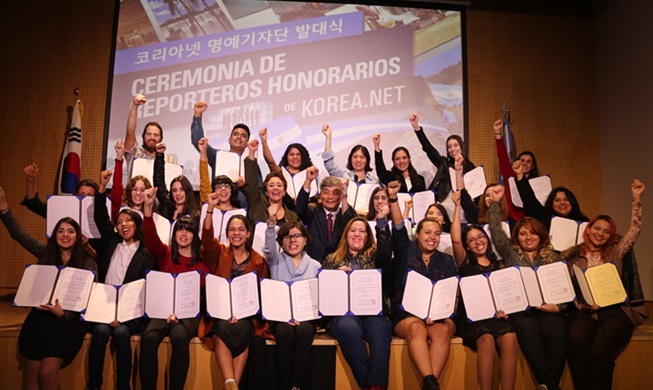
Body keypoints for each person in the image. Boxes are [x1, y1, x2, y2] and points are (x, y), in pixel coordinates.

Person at [0, 186, 96, 390]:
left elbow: (86, 298)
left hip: (67, 323)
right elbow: (20, 236)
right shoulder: (45, 252)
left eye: (70, 231)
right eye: (60, 231)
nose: (65, 235)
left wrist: (64, 313)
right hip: (40, 319)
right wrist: (4, 211)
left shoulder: (88, 262)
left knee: (47, 372)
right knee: (32, 375)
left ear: (78, 237)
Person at [561, 179, 645, 390]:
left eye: (606, 231)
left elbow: (635, 230)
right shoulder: (572, 257)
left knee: (599, 353)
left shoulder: (617, 251)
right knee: (576, 344)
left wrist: (636, 200)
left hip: (614, 310)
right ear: (588, 230)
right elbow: (570, 291)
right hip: (584, 311)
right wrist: (583, 306)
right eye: (596, 228)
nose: (600, 233)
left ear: (611, 235)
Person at [487, 186, 568, 390]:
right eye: (523, 234)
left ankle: (547, 385)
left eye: (533, 233)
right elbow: (496, 230)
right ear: (517, 237)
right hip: (523, 311)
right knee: (527, 331)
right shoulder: (512, 253)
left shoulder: (554, 257)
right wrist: (496, 202)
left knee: (557, 330)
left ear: (541, 235)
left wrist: (559, 307)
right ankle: (551, 385)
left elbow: (565, 290)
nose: (528, 237)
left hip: (550, 309)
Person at [387, 180, 457, 390]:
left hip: (438, 315)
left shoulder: (447, 261)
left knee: (443, 330)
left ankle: (429, 384)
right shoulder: (406, 251)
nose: (432, 237)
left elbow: (449, 295)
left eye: (436, 233)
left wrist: (436, 313)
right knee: (417, 328)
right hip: (407, 314)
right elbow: (399, 227)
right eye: (427, 232)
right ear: (417, 234)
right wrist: (392, 198)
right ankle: (430, 382)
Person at [139, 187, 210, 390]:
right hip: (162, 310)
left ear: (194, 235)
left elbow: (205, 294)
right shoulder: (164, 253)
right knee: (149, 337)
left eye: (188, 230)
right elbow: (150, 237)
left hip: (188, 314)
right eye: (180, 229)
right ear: (174, 232)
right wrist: (147, 208)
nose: (184, 234)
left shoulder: (202, 262)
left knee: (179, 336)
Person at [88, 174, 153, 390]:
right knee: (99, 333)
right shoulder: (112, 242)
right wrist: (101, 188)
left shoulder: (146, 252)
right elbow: (100, 217)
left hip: (130, 312)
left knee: (122, 333)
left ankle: (124, 385)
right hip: (104, 307)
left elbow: (145, 290)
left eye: (128, 221)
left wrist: (122, 315)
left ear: (137, 224)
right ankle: (94, 384)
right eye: (120, 222)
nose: (124, 224)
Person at [198, 191, 269, 390]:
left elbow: (261, 296)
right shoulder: (219, 253)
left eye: (240, 230)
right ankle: (231, 383)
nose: (236, 233)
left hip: (246, 315)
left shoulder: (258, 262)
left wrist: (242, 313)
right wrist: (210, 210)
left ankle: (231, 384)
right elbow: (206, 240)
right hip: (219, 313)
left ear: (248, 234)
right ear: (227, 233)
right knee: (221, 328)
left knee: (244, 330)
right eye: (232, 230)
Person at [450, 191, 518, 390]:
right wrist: (456, 207)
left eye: (481, 236)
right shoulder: (465, 263)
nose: (478, 241)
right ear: (467, 247)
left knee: (510, 338)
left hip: (499, 317)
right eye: (471, 240)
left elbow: (508, 294)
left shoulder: (500, 265)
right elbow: (455, 239)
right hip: (475, 320)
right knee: (486, 340)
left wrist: (507, 310)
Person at [322, 216, 393, 389]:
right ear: (346, 234)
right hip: (343, 315)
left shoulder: (377, 257)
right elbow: (325, 294)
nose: (357, 234)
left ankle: (376, 384)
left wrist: (382, 222)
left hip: (372, 313)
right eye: (353, 230)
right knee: (349, 327)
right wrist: (336, 277)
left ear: (368, 236)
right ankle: (369, 384)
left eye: (362, 231)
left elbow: (386, 252)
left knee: (380, 328)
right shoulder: (331, 259)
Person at [263, 206, 322, 390]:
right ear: (282, 242)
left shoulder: (315, 265)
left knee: (304, 333)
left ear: (305, 240)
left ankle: (295, 385)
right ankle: (284, 385)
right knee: (285, 334)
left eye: (297, 236)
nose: (292, 240)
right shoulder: (276, 260)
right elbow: (268, 247)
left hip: (306, 318)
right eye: (288, 237)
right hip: (280, 318)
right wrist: (271, 225)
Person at [295, 169, 356, 262]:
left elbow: (348, 222)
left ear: (340, 196)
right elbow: (300, 209)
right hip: (314, 265)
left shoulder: (345, 214)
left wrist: (344, 194)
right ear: (320, 196)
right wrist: (308, 181)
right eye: (326, 192)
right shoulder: (313, 213)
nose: (330, 197)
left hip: (339, 265)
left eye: (335, 193)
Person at [410, 113, 474, 201]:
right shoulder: (443, 163)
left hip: (463, 204)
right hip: (443, 203)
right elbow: (429, 149)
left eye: (456, 145)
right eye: (449, 146)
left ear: (461, 146)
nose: (452, 149)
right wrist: (417, 128)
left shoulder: (470, 166)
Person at [122, 94, 177, 185]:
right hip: (137, 198)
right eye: (148, 134)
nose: (152, 137)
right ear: (143, 136)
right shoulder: (134, 154)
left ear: (161, 139)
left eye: (156, 135)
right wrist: (135, 107)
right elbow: (130, 132)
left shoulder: (170, 161)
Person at [243, 139, 298, 226]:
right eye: (271, 185)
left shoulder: (293, 217)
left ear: (284, 192)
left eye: (279, 185)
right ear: (266, 192)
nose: (275, 188)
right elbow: (251, 183)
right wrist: (252, 152)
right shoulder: (257, 205)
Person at [190, 100, 250, 179]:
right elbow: (198, 141)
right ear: (229, 140)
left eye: (243, 135)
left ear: (247, 144)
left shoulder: (250, 164)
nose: (239, 137)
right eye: (236, 134)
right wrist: (198, 114)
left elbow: (258, 188)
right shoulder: (218, 156)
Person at [20, 162, 99, 218]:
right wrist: (31, 181)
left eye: (89, 195)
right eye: (82, 195)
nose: (85, 198)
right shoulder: (64, 212)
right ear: (76, 196)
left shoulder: (102, 217)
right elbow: (33, 204)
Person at [104, 138, 155, 219]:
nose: (138, 193)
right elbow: (117, 188)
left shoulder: (151, 215)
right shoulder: (121, 210)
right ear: (129, 191)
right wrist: (119, 157)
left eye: (142, 190)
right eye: (135, 189)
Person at [153, 143, 198, 221]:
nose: (178, 193)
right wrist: (159, 155)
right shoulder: (166, 206)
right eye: (174, 190)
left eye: (182, 189)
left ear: (187, 191)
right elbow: (158, 181)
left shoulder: (195, 215)